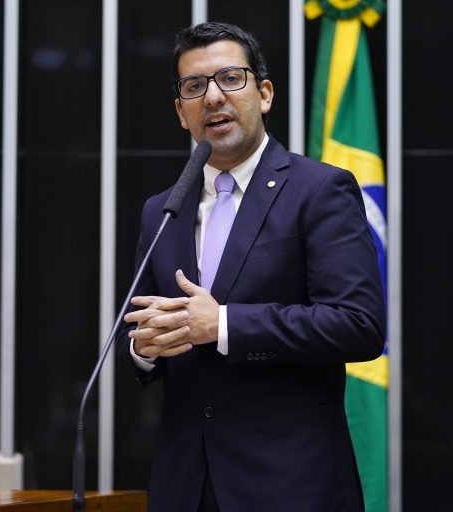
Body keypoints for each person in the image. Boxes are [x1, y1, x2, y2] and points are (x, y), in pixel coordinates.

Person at [117, 22, 385, 512]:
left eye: (230, 79)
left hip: (289, 484)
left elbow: (358, 326)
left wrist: (222, 323)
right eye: (195, 87)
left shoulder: (319, 190)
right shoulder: (162, 210)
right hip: (186, 485)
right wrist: (144, 348)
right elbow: (138, 327)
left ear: (263, 93)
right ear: (181, 112)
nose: (213, 97)